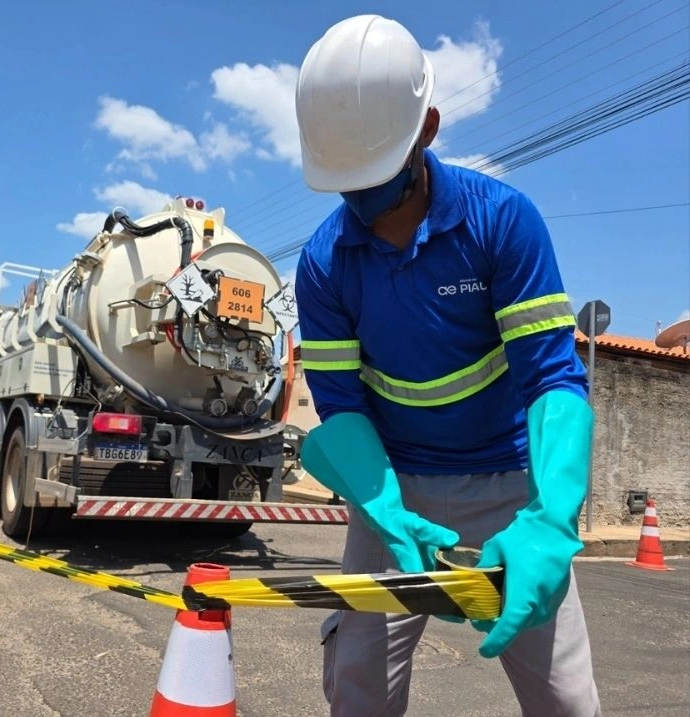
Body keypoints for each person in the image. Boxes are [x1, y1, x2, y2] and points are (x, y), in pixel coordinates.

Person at [293, 14, 601, 716]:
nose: (367, 210)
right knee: (358, 691)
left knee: (568, 702)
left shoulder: (502, 223)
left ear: (428, 129)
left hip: (509, 491)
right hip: (392, 494)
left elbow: (553, 377)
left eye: (378, 181)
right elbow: (342, 407)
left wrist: (550, 519)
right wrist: (386, 513)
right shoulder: (323, 264)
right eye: (349, 186)